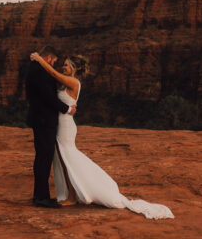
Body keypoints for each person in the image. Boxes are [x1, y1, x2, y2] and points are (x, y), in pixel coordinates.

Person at [30, 51, 174, 220]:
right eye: (64, 64)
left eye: (67, 64)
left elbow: (53, 73)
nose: (64, 66)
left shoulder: (73, 82)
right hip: (61, 124)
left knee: (67, 158)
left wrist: (40, 60)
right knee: (63, 160)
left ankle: (73, 196)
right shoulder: (66, 82)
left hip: (66, 127)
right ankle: (72, 194)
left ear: (75, 68)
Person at [25, 49, 75, 208]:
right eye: (52, 62)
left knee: (42, 158)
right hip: (44, 120)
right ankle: (41, 197)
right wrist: (66, 109)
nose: (53, 65)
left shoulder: (34, 69)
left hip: (39, 119)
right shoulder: (41, 72)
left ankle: (40, 195)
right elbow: (48, 97)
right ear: (48, 58)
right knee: (44, 158)